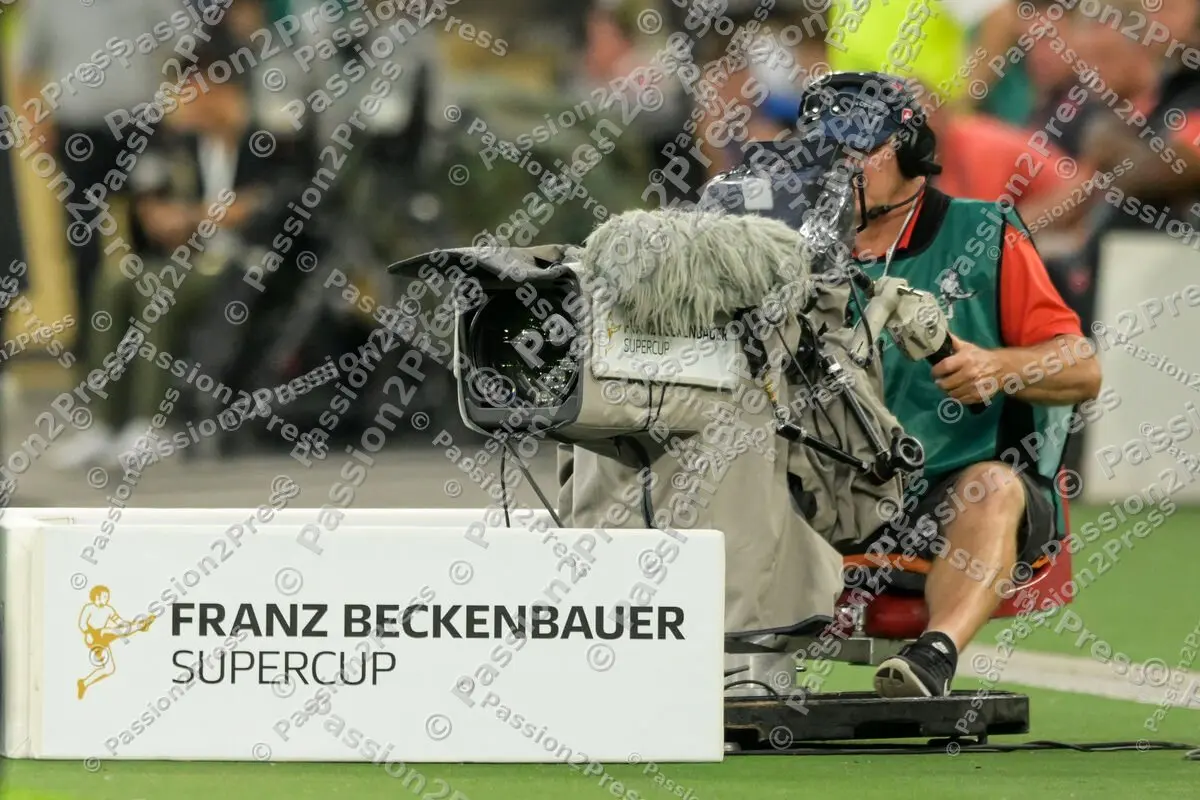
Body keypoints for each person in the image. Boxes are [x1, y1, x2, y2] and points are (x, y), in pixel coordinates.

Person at [795, 71, 1102, 698]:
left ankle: (933, 657)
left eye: (858, 151)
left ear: (910, 155)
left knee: (991, 485)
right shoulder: (789, 249)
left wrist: (998, 366)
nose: (839, 168)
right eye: (828, 151)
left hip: (951, 490)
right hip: (825, 488)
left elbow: (1082, 368)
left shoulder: (984, 232)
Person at [51, 37, 305, 470]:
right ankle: (106, 420)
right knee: (115, 280)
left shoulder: (266, 142)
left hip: (245, 268)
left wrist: (193, 214)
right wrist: (177, 216)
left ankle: (154, 421)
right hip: (190, 260)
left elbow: (269, 205)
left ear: (223, 90)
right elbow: (150, 206)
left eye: (193, 90)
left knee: (158, 286)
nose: (183, 102)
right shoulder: (178, 146)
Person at [14, 0, 183, 365]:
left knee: (153, 232)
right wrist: (35, 122)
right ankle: (95, 346)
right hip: (79, 133)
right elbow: (26, 68)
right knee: (82, 239)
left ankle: (155, 340)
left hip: (141, 127)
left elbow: (183, 44)